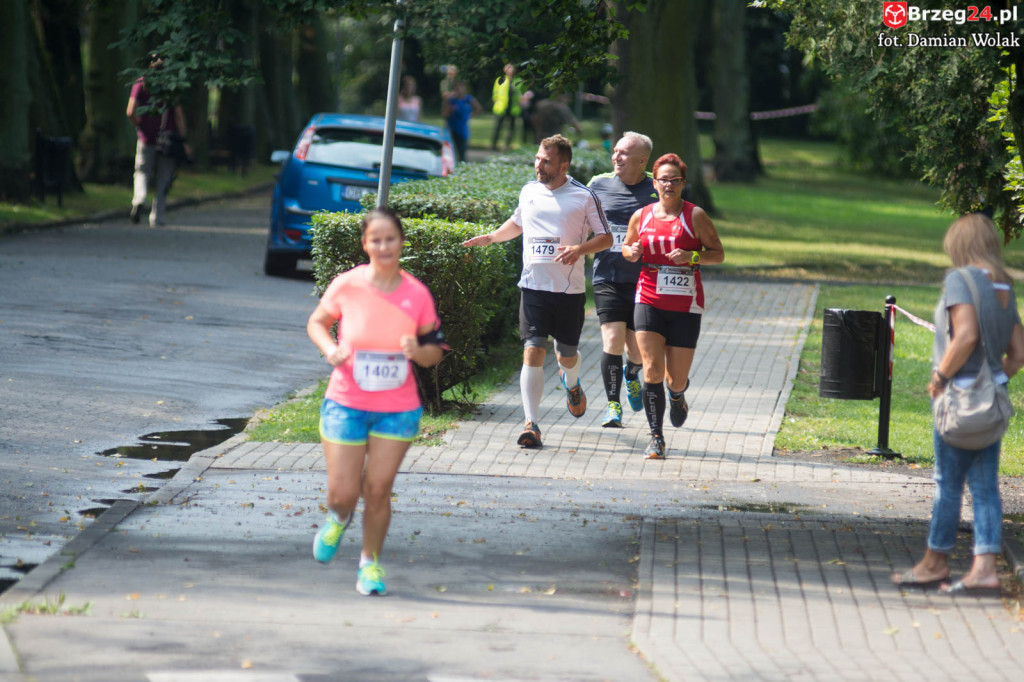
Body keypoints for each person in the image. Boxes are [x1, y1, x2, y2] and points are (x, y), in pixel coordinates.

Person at [306, 208, 446, 596]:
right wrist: (330, 348)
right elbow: (316, 322)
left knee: (379, 490)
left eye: (390, 239)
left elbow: (435, 352)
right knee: (344, 493)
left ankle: (370, 564)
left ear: (401, 242)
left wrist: (418, 349)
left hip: (397, 409)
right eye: (375, 239)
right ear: (365, 244)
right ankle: (338, 517)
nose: (383, 246)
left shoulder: (416, 294)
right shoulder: (347, 285)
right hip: (346, 402)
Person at [892, 213, 1024, 596]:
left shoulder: (959, 280)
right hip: (990, 403)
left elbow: (964, 336)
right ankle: (984, 569)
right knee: (984, 488)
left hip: (959, 402)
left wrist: (940, 379)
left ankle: (935, 563)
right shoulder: (1005, 287)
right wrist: (994, 380)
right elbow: (1017, 354)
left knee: (947, 485)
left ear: (960, 245)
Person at [462, 135, 612, 448]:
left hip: (568, 292)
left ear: (563, 165)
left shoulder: (584, 196)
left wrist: (579, 248)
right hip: (533, 287)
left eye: (546, 161)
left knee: (565, 354)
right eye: (537, 158)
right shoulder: (529, 191)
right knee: (532, 349)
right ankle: (531, 424)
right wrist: (491, 237)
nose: (538, 165)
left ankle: (571, 383)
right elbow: (518, 223)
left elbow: (606, 238)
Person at [620, 153, 724, 459]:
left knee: (675, 378)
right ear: (655, 183)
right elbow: (627, 248)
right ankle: (656, 437)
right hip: (649, 298)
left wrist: (692, 257)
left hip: (685, 306)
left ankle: (677, 394)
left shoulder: (696, 216)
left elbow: (718, 254)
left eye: (674, 180)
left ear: (683, 184)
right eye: (663, 179)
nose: (668, 184)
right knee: (652, 369)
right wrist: (632, 250)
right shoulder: (642, 216)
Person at [588, 132, 658, 428]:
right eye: (615, 151)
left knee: (637, 351)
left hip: (645, 280)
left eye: (624, 153)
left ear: (643, 160)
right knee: (613, 340)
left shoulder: (658, 189)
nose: (616, 157)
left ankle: (632, 374)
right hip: (609, 276)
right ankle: (612, 406)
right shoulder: (597, 185)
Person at [126, 52, 191, 227]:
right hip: (167, 139)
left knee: (141, 172)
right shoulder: (171, 85)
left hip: (146, 137)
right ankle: (157, 216)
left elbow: (130, 111)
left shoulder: (141, 83)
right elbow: (177, 114)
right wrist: (183, 140)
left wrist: (140, 125)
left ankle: (139, 199)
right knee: (164, 177)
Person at [442, 80, 482, 164]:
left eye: (460, 86)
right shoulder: (450, 100)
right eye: (456, 87)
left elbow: (478, 108)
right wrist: (450, 110)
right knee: (449, 153)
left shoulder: (468, 99)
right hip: (451, 129)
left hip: (462, 130)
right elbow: (444, 115)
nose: (458, 89)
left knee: (462, 153)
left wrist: (471, 115)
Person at [491, 63, 521, 150]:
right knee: (498, 128)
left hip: (513, 108)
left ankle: (507, 145)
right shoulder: (500, 80)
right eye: (508, 68)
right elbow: (495, 93)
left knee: (511, 129)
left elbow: (521, 94)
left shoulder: (518, 81)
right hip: (501, 108)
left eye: (511, 68)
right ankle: (494, 145)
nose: (509, 70)